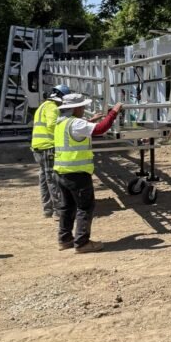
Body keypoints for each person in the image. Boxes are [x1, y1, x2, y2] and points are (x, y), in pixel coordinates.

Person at [53, 92, 123, 254]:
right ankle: (82, 243)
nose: (84, 109)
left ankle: (65, 239)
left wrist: (89, 122)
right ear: (75, 108)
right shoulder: (76, 123)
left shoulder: (62, 123)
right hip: (77, 174)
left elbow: (78, 131)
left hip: (61, 172)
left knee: (67, 207)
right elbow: (100, 129)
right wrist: (114, 112)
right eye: (82, 106)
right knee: (85, 207)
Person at [30, 85, 71, 217]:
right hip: (47, 147)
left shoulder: (43, 106)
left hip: (38, 147)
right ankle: (59, 211)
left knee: (44, 178)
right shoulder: (52, 107)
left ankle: (47, 209)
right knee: (52, 179)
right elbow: (53, 125)